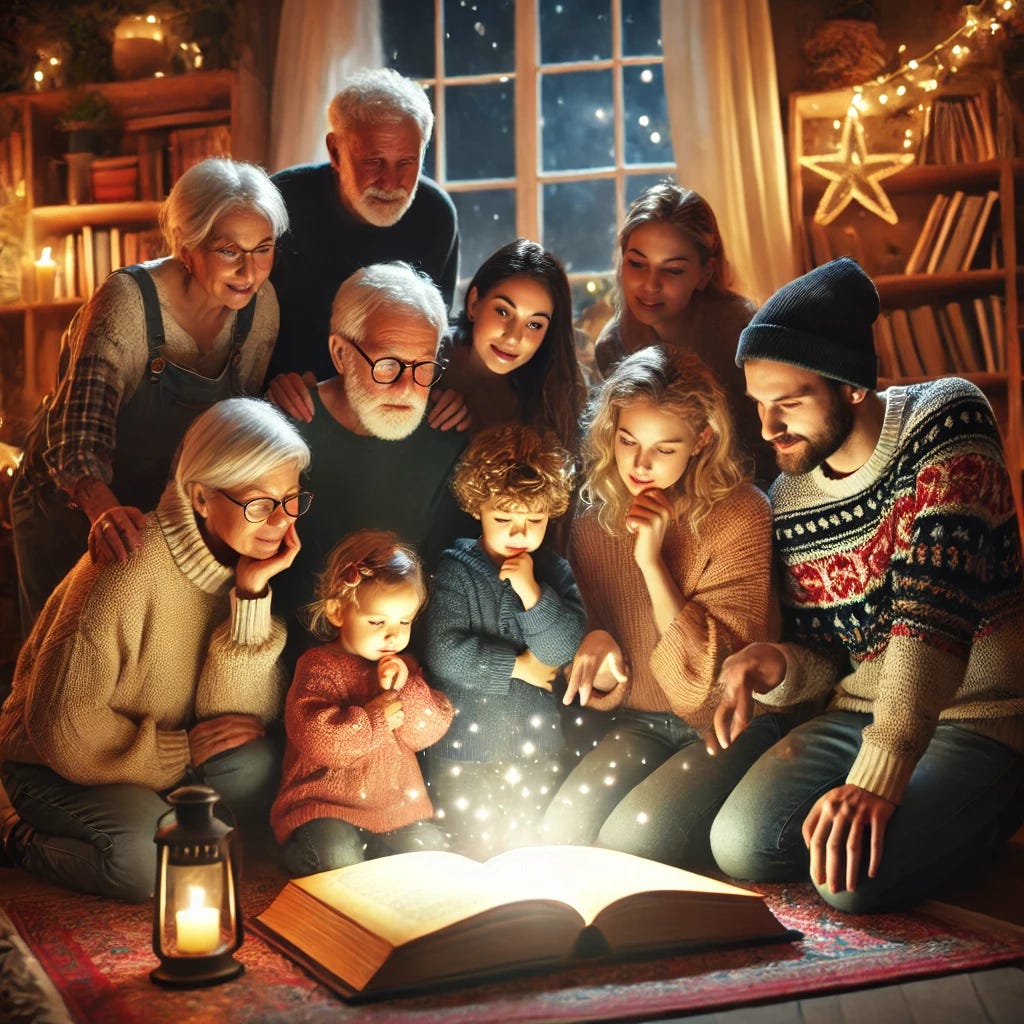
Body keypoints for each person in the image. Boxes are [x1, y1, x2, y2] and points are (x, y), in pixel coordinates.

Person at [710, 257, 1024, 914]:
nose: (769, 431)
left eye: (788, 404)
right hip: (857, 714)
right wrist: (776, 665)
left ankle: (990, 805)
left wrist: (882, 776)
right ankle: (932, 826)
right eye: (759, 406)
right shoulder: (791, 495)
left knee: (850, 882)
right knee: (741, 843)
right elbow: (827, 657)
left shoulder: (946, 417)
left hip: (980, 717)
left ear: (851, 387)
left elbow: (929, 614)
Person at [0, 397, 310, 900]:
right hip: (56, 765)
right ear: (203, 497)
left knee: (254, 762)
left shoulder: (245, 563)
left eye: (292, 498)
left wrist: (251, 595)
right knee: (145, 865)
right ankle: (18, 836)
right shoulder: (128, 562)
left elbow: (238, 717)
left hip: (152, 762)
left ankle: (168, 822)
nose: (279, 520)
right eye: (259, 503)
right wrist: (181, 751)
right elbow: (64, 727)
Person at [10, 156, 289, 633]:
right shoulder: (128, 302)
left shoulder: (261, 309)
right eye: (228, 250)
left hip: (149, 510)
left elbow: (228, 433)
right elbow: (76, 444)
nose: (249, 270)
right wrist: (104, 513)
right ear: (187, 246)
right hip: (72, 502)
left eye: (262, 249)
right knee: (57, 659)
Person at [540, 346, 790, 870]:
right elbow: (602, 675)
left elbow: (708, 690)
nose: (640, 465)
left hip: (726, 723)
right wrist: (596, 646)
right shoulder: (593, 522)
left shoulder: (742, 514)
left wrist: (653, 563)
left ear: (702, 441)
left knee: (633, 841)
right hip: (643, 723)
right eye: (628, 441)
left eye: (664, 448)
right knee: (558, 834)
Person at [270, 261, 473, 666]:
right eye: (387, 365)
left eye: (423, 368)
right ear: (340, 353)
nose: (407, 387)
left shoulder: (446, 434)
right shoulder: (285, 426)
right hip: (286, 666)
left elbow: (457, 576)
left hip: (408, 674)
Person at [422, 425, 586, 858]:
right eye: (503, 519)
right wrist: (518, 667)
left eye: (533, 521)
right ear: (478, 509)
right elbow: (442, 651)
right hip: (462, 749)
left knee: (529, 847)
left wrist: (533, 593)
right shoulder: (456, 570)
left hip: (535, 748)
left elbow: (561, 650)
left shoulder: (553, 572)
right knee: (469, 847)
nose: (518, 533)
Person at [271, 529, 453, 875]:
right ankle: (302, 857)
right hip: (326, 807)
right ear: (338, 612)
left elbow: (426, 732)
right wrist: (376, 719)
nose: (393, 634)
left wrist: (408, 689)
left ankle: (382, 876)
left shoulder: (406, 668)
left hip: (395, 810)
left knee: (432, 854)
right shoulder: (318, 665)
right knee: (338, 857)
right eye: (376, 621)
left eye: (404, 621)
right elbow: (318, 740)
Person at [268, 66, 458, 385]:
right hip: (293, 398)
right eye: (373, 161)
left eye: (407, 162)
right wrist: (272, 382)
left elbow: (436, 335)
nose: (390, 181)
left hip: (392, 394)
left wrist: (445, 392)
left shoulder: (435, 215)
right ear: (335, 151)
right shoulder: (279, 203)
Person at [592, 181, 771, 485]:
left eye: (672, 270)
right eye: (637, 264)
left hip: (747, 491)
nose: (651, 285)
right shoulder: (613, 345)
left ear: (705, 274)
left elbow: (767, 450)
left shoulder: (742, 331)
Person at [428, 239, 588, 456]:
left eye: (534, 324)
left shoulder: (553, 399)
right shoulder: (425, 358)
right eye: (503, 312)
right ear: (474, 303)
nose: (513, 337)